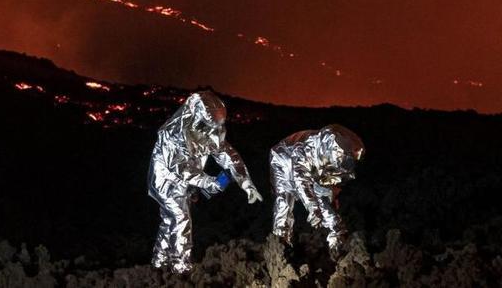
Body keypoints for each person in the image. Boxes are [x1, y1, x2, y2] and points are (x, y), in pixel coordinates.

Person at [148, 90, 262, 273]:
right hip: (166, 182)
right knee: (180, 218)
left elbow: (228, 156)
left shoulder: (209, 131)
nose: (212, 133)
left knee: (169, 219)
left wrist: (246, 182)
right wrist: (208, 182)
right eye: (207, 127)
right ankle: (180, 267)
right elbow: (180, 167)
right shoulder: (171, 135)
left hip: (188, 185)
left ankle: (159, 261)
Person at [268, 124, 364, 258]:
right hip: (284, 157)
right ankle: (281, 241)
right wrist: (313, 208)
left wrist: (334, 222)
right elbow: (301, 180)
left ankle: (336, 237)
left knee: (324, 196)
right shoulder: (306, 148)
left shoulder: (343, 163)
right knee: (285, 197)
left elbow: (327, 195)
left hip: (317, 168)